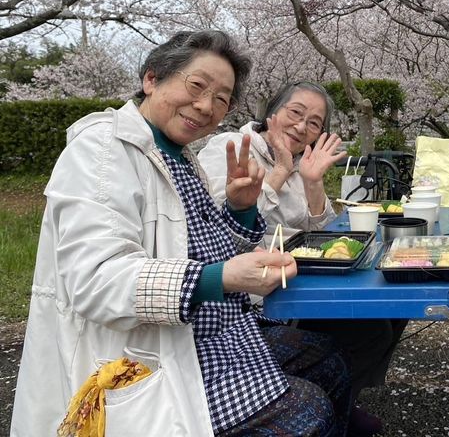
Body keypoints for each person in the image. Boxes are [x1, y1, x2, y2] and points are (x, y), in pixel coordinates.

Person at [11, 32, 351, 437]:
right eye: (196, 86)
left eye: (221, 99)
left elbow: (209, 248)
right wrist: (219, 278)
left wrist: (241, 210)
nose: (206, 106)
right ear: (151, 79)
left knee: (326, 358)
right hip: (152, 349)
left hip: (210, 333)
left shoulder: (179, 154)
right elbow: (97, 280)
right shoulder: (103, 150)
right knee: (307, 412)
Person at [199, 81, 407, 436]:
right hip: (252, 296)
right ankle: (332, 400)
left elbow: (326, 234)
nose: (302, 126)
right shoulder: (232, 147)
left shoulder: (301, 162)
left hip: (300, 281)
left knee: (392, 310)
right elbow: (222, 228)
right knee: (370, 331)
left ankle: (343, 399)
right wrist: (279, 170)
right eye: (296, 113)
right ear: (272, 112)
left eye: (314, 123)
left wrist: (312, 182)